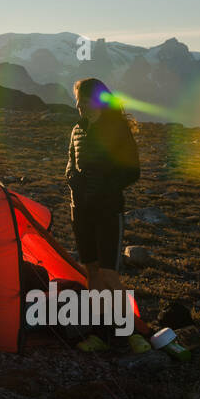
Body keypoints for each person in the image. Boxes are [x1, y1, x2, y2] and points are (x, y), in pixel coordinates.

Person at [65, 77, 140, 351]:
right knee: (92, 272)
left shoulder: (117, 130)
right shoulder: (77, 130)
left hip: (107, 210)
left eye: (83, 101)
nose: (78, 106)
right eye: (77, 101)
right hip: (80, 211)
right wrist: (74, 181)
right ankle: (99, 333)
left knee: (109, 274)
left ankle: (130, 330)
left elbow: (132, 171)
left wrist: (102, 187)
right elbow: (70, 166)